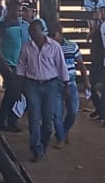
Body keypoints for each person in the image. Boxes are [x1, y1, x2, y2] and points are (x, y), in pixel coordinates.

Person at [17, 18, 70, 160]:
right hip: (32, 84)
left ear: (42, 30)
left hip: (50, 84)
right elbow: (21, 67)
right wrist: (20, 86)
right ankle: (36, 148)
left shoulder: (54, 46)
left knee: (48, 120)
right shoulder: (27, 47)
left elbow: (61, 67)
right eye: (30, 31)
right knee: (34, 118)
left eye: (34, 30)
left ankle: (44, 142)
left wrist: (66, 85)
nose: (32, 33)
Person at [0, 0, 29, 131]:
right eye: (16, 10)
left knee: (12, 92)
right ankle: (8, 120)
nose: (19, 13)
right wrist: (3, 63)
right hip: (6, 63)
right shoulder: (2, 25)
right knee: (13, 91)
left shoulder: (19, 24)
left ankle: (4, 120)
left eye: (20, 10)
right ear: (10, 9)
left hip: (17, 63)